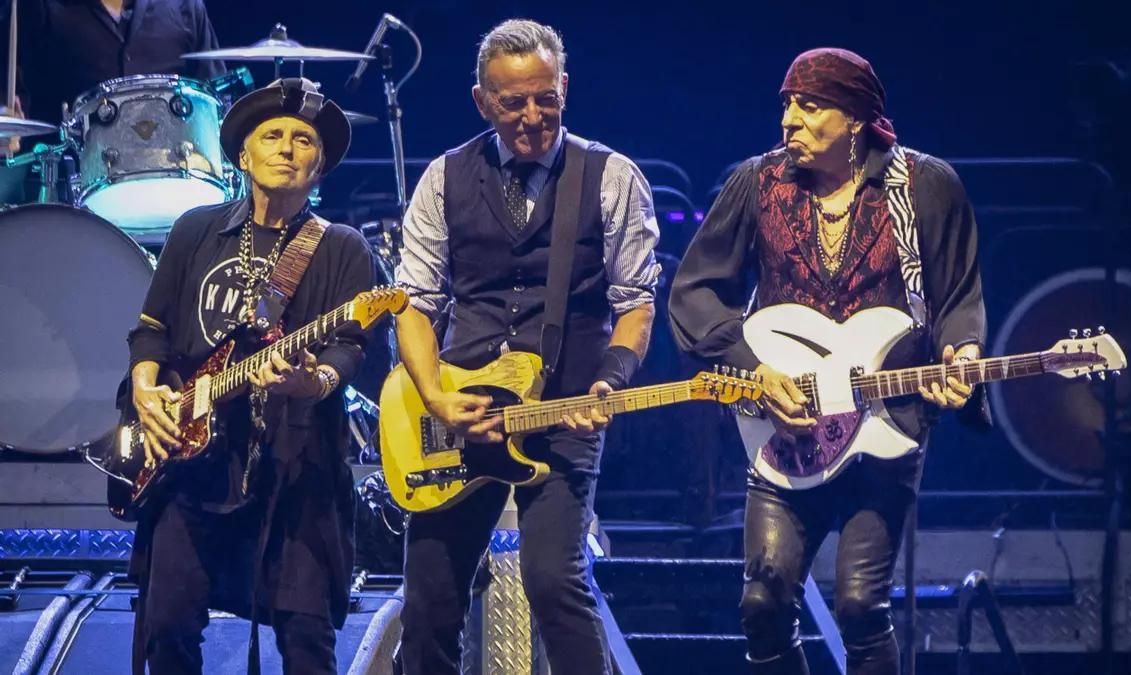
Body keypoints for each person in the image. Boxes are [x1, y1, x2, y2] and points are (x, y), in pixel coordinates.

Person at [668, 48, 989, 675]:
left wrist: (964, 353)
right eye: (787, 104)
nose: (789, 119)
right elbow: (696, 291)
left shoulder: (924, 185)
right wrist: (752, 369)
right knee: (763, 602)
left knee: (861, 606)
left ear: (856, 119)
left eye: (810, 106)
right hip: (786, 424)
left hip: (886, 423)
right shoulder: (758, 182)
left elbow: (958, 296)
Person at [391, 18, 660, 675]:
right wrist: (436, 399)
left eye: (547, 98)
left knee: (553, 580)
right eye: (514, 102)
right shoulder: (444, 176)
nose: (533, 116)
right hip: (461, 411)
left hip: (565, 409)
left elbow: (636, 303)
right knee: (428, 600)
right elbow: (415, 304)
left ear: (566, 88)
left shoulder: (610, 176)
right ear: (482, 101)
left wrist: (611, 379)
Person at [125, 77, 372, 674]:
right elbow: (151, 330)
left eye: (303, 140)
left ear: (320, 167)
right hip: (193, 464)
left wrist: (311, 382)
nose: (287, 147)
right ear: (243, 156)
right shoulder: (195, 230)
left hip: (295, 467)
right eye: (272, 136)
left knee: (307, 642)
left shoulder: (343, 247)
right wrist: (145, 389)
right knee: (167, 628)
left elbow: (350, 349)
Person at [1, 0, 224, 126]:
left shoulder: (185, 6)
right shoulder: (34, 7)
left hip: (178, 172)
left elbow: (216, 97)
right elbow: (7, 92)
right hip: (75, 178)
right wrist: (7, 121)